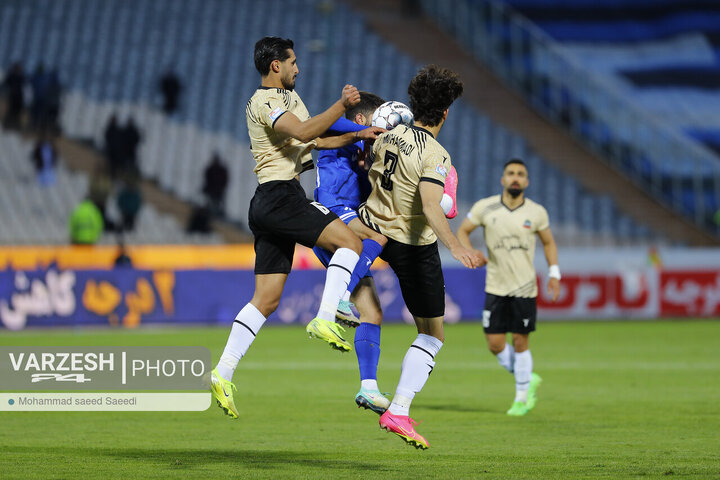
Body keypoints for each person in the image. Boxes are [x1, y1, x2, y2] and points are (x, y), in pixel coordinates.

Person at [209, 36, 384, 419]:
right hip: (279, 197)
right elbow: (303, 132)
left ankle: (222, 372)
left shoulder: (292, 99)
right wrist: (343, 105)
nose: (297, 69)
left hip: (274, 202)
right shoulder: (264, 101)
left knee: (267, 299)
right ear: (276, 65)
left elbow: (314, 140)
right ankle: (324, 318)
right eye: (292, 63)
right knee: (350, 243)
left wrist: (357, 134)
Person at [358, 65, 482, 449]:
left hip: (371, 227)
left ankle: (339, 303)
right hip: (413, 245)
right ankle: (398, 410)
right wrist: (456, 245)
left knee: (358, 285)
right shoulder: (436, 154)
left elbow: (368, 168)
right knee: (432, 334)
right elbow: (431, 205)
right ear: (446, 113)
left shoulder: (388, 134)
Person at [456, 158, 561, 416]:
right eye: (511, 173)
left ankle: (522, 398)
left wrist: (554, 273)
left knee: (520, 341)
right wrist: (471, 253)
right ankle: (527, 377)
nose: (515, 177)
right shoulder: (485, 207)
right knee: (494, 343)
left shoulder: (536, 212)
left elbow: (548, 243)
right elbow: (462, 231)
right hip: (496, 285)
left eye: (520, 174)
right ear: (503, 179)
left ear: (526, 181)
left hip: (524, 287)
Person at [310, 91, 391, 413]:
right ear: (361, 119)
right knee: (378, 237)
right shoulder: (340, 130)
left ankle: (368, 388)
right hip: (331, 210)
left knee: (372, 313)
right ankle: (337, 299)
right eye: (376, 123)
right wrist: (360, 135)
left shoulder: (363, 150)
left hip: (346, 229)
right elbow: (323, 122)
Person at [202, 152, 229, 216]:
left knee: (218, 203)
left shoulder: (221, 170)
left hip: (219, 190)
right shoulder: (210, 169)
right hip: (211, 189)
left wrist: (221, 187)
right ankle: (210, 212)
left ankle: (217, 214)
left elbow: (225, 179)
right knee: (210, 202)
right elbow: (207, 178)